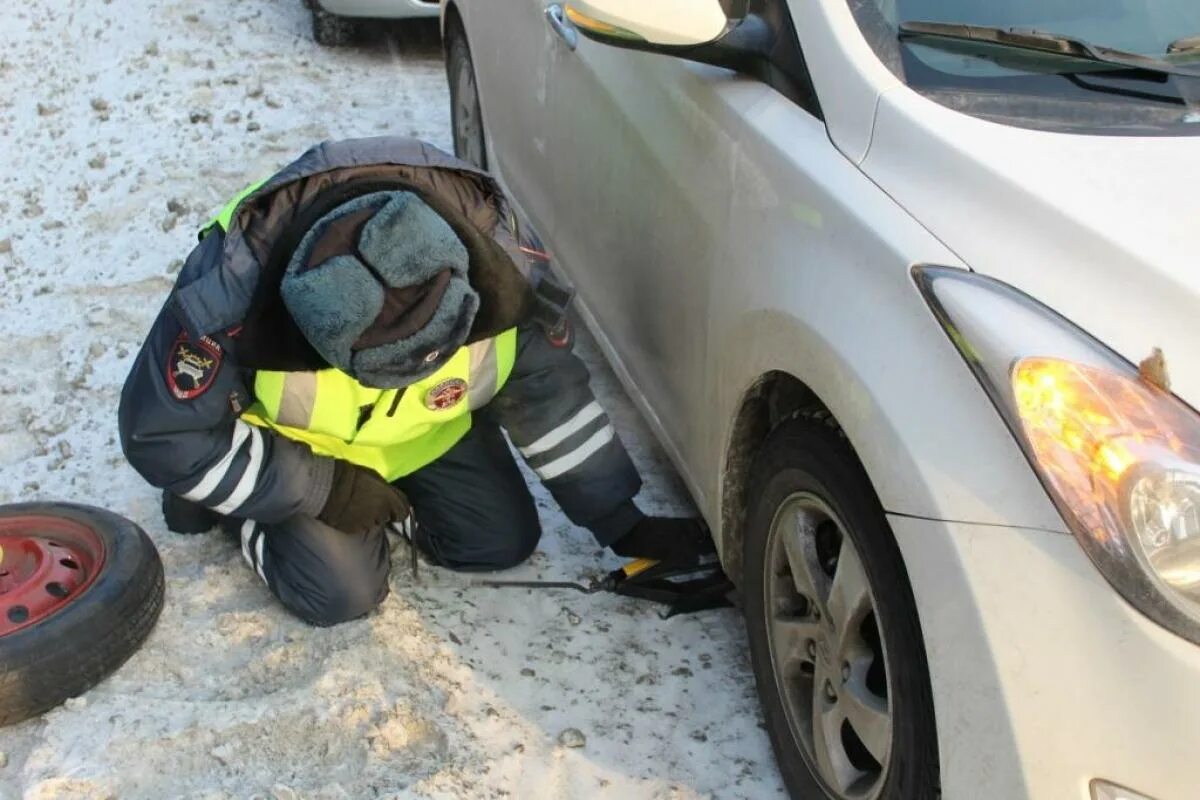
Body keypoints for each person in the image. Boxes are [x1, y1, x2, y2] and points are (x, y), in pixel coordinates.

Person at [118, 137, 711, 626]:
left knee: (501, 543)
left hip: (431, 429)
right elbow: (161, 434)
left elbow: (547, 393)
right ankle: (243, 513)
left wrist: (619, 518)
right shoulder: (229, 294)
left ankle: (389, 501)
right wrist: (325, 489)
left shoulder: (501, 262)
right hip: (297, 451)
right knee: (340, 597)